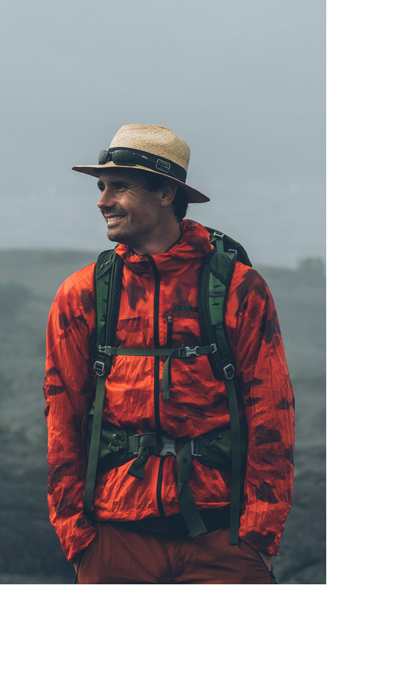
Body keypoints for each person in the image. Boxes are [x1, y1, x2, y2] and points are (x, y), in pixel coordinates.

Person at [43, 124, 294, 583]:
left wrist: (260, 535)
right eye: (101, 187)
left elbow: (272, 413)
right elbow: (63, 417)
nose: (102, 200)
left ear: (165, 193)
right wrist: (75, 536)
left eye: (119, 186)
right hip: (113, 537)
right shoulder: (82, 294)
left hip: (222, 536)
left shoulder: (238, 288)